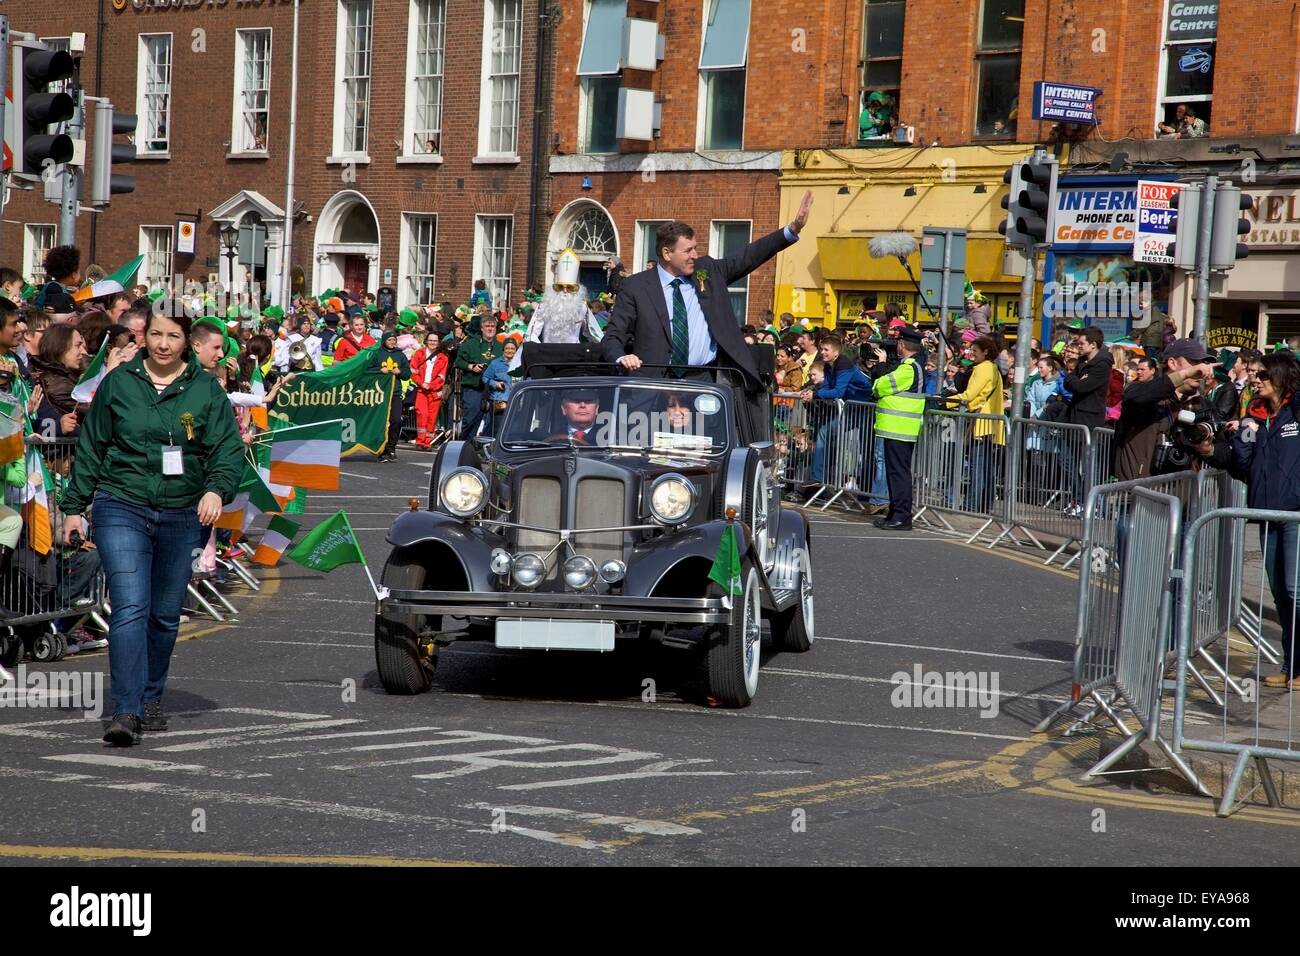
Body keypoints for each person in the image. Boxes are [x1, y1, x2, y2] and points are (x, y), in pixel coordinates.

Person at [58, 303, 244, 746]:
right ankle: (125, 709)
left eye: (172, 337)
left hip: (183, 512)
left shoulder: (205, 390)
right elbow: (92, 446)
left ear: (188, 342)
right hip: (122, 504)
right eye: (155, 335)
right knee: (130, 607)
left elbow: (227, 450)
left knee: (162, 615)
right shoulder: (119, 383)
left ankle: (151, 696)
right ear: (143, 337)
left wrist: (217, 489)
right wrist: (73, 506)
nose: (162, 344)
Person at [601, 192, 814, 394]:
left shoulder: (707, 271)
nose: (695, 255)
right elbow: (613, 336)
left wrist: (792, 229)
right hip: (654, 382)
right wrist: (621, 357)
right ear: (667, 253)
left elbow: (748, 256)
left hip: (703, 379)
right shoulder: (636, 286)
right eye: (687, 250)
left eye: (695, 248)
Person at [1208, 353, 1300, 687]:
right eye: (1254, 374)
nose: (1255, 378)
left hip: (1295, 514)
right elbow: (1242, 469)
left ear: (1280, 377)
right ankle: (1292, 666)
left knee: (1295, 590)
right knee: (1280, 593)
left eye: (1262, 374)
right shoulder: (1257, 418)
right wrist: (1235, 441)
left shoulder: (1296, 411)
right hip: (1265, 512)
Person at [1111, 338, 1220, 482]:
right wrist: (1185, 374)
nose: (1200, 368)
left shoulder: (1202, 405)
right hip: (1137, 493)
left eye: (1204, 363)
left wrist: (1208, 451)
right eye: (1194, 362)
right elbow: (1136, 398)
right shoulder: (1143, 392)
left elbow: (1225, 455)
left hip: (1180, 496)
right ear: (1172, 363)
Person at [872, 327, 926, 530]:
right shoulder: (910, 366)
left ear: (902, 345)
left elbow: (880, 386)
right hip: (897, 429)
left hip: (900, 429)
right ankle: (895, 513)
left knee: (898, 474)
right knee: (895, 473)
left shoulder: (908, 368)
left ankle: (902, 516)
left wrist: (878, 379)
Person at [948, 335, 1006, 513]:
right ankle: (983, 505)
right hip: (989, 422)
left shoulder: (983, 368)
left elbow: (970, 395)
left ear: (986, 352)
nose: (971, 353)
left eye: (975, 350)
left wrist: (945, 401)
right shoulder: (991, 368)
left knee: (978, 466)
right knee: (986, 466)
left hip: (982, 422)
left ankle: (972, 504)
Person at [1060, 326, 1113, 512]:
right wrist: (1074, 378)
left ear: (1093, 344)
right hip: (1073, 417)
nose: (1079, 347)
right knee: (1066, 461)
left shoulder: (1103, 364)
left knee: (1090, 465)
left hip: (1089, 420)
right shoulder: (1081, 361)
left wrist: (1075, 381)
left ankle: (1094, 504)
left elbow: (1083, 387)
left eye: (1082, 343)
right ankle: (1080, 498)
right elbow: (1069, 381)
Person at [455, 312, 502, 439]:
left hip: (494, 390)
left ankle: (483, 448)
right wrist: (471, 367)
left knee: (494, 423)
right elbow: (458, 362)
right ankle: (464, 445)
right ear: (482, 328)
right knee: (470, 420)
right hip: (473, 388)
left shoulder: (500, 346)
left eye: (493, 326)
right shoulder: (470, 344)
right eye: (487, 326)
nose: (490, 328)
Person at [372, 329, 411, 461]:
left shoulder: (400, 355)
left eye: (394, 340)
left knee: (396, 420)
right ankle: (380, 448)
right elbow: (368, 369)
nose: (392, 342)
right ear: (384, 341)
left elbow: (407, 374)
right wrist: (378, 370)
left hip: (395, 392)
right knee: (381, 422)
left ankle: (391, 447)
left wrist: (400, 371)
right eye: (390, 340)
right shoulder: (377, 353)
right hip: (380, 392)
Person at [409, 331, 446, 448]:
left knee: (432, 417)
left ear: (439, 342)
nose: (432, 343)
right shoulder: (419, 353)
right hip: (421, 390)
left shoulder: (443, 357)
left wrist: (430, 386)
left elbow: (442, 376)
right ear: (426, 341)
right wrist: (421, 383)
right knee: (422, 414)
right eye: (430, 340)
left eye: (435, 341)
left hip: (435, 391)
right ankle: (420, 440)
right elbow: (413, 371)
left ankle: (428, 442)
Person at [480, 338, 519, 437]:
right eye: (507, 348)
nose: (509, 351)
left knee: (513, 428)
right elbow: (485, 377)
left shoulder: (520, 364)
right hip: (500, 400)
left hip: (517, 400)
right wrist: (495, 384)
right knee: (498, 427)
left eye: (512, 348)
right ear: (503, 350)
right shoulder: (495, 363)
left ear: (516, 350)